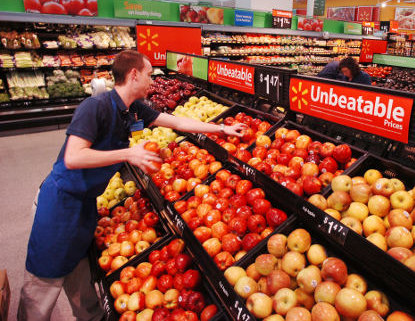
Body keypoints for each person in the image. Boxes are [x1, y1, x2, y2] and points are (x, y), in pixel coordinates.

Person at [17, 50, 246, 321]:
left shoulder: (132, 109)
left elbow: (175, 121)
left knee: (80, 274)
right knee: (43, 283)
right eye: (149, 74)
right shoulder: (96, 107)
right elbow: (73, 156)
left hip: (85, 203)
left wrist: (221, 129)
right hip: (60, 203)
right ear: (133, 74)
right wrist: (128, 153)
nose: (152, 80)